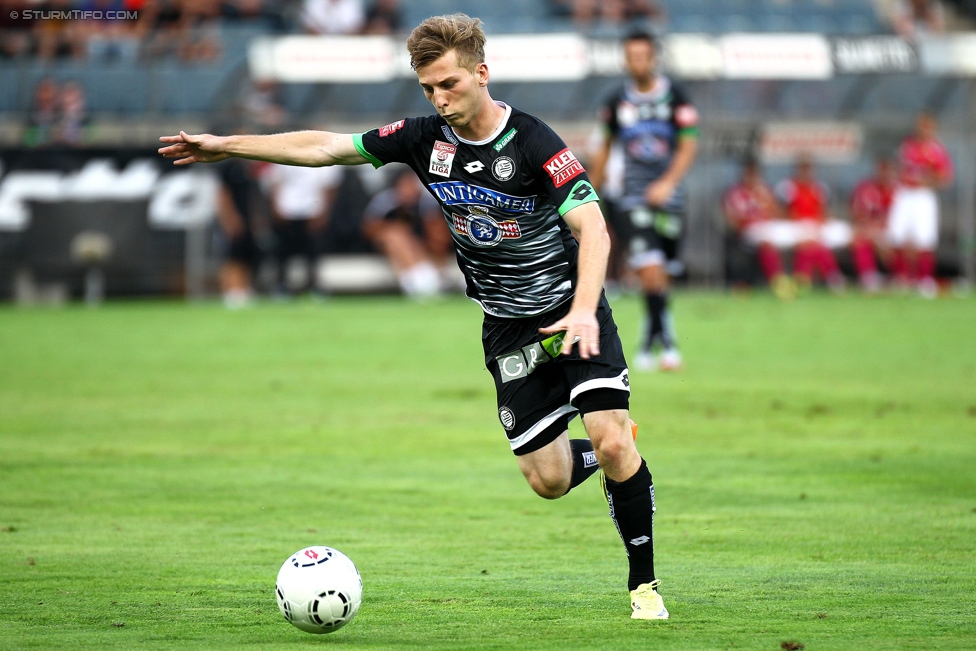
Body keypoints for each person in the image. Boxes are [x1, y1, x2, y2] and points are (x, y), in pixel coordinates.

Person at [160, 13, 668, 620]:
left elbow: (594, 227)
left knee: (610, 443)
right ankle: (611, 450)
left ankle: (644, 586)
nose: (439, 97)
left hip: (571, 311)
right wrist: (226, 145)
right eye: (428, 88)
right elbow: (327, 146)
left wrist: (585, 309)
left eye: (449, 83)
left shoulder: (534, 141)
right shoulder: (422, 137)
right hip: (507, 327)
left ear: (482, 74)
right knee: (550, 481)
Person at [589, 29, 698, 372]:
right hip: (629, 197)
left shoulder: (677, 99)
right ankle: (667, 344)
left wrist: (668, 183)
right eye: (631, 56)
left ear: (654, 58)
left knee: (662, 274)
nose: (637, 62)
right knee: (650, 270)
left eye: (643, 56)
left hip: (669, 198)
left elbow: (689, 144)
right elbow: (603, 152)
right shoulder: (614, 104)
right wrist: (589, 194)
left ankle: (652, 334)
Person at [887, 112, 953, 298]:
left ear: (933, 128)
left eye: (927, 125)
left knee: (924, 238)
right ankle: (902, 278)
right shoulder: (907, 145)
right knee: (898, 235)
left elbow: (945, 177)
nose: (923, 129)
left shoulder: (937, 150)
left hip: (923, 195)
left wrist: (927, 180)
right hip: (905, 193)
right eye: (920, 125)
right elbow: (898, 167)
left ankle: (925, 280)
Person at [362, 167, 454, 299]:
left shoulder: (427, 201)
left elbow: (438, 232)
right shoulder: (385, 201)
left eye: (412, 184)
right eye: (405, 184)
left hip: (422, 246)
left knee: (437, 234)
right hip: (388, 246)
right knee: (396, 235)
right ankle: (418, 281)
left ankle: (429, 277)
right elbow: (369, 229)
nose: (409, 189)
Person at [266, 163, 342, 296]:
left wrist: (325, 211)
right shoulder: (285, 148)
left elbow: (330, 186)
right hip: (287, 207)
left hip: (313, 207)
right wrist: (275, 206)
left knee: (313, 249)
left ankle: (314, 284)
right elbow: (275, 180)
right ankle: (281, 283)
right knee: (283, 249)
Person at [722, 157, 794, 299]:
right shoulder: (735, 193)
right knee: (766, 242)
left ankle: (801, 279)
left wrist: (767, 203)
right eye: (749, 173)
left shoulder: (765, 190)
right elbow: (731, 218)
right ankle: (779, 282)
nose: (752, 176)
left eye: (754, 173)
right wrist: (745, 224)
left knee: (804, 237)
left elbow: (778, 213)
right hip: (748, 230)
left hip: (768, 226)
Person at [776, 156, 845, 292]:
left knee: (820, 241)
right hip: (795, 225)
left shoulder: (818, 188)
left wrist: (819, 224)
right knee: (808, 242)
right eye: (803, 168)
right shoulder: (788, 187)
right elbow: (784, 211)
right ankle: (810, 277)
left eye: (808, 169)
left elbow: (823, 211)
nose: (806, 172)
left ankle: (815, 278)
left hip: (814, 224)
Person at [849, 157, 896, 293]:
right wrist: (876, 234)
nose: (885, 174)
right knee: (860, 238)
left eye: (888, 170)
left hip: (892, 232)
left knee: (906, 241)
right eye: (882, 170)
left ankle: (905, 279)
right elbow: (859, 216)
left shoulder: (899, 190)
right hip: (872, 230)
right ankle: (869, 278)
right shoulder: (866, 188)